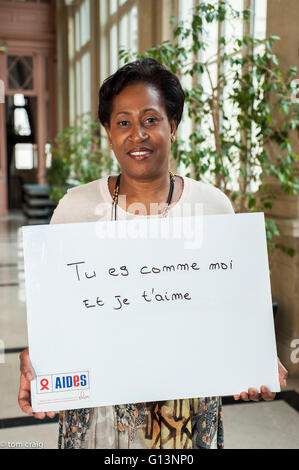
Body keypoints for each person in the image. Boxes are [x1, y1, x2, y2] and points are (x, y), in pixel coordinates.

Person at [18, 58, 288, 449]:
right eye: (123, 122)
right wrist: (36, 358)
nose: (137, 135)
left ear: (172, 127)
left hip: (186, 412)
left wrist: (255, 357)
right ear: (108, 133)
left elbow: (234, 308)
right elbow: (56, 312)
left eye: (150, 120)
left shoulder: (213, 207)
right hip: (100, 414)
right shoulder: (75, 208)